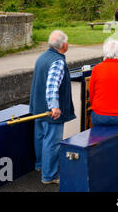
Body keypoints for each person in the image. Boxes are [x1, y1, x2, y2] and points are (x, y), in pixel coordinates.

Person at [29, 30, 76, 185]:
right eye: (68, 41)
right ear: (63, 45)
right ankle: (50, 176)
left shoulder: (42, 57)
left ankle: (41, 166)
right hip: (51, 111)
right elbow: (51, 86)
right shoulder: (58, 61)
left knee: (41, 137)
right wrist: (54, 106)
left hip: (38, 108)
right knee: (52, 142)